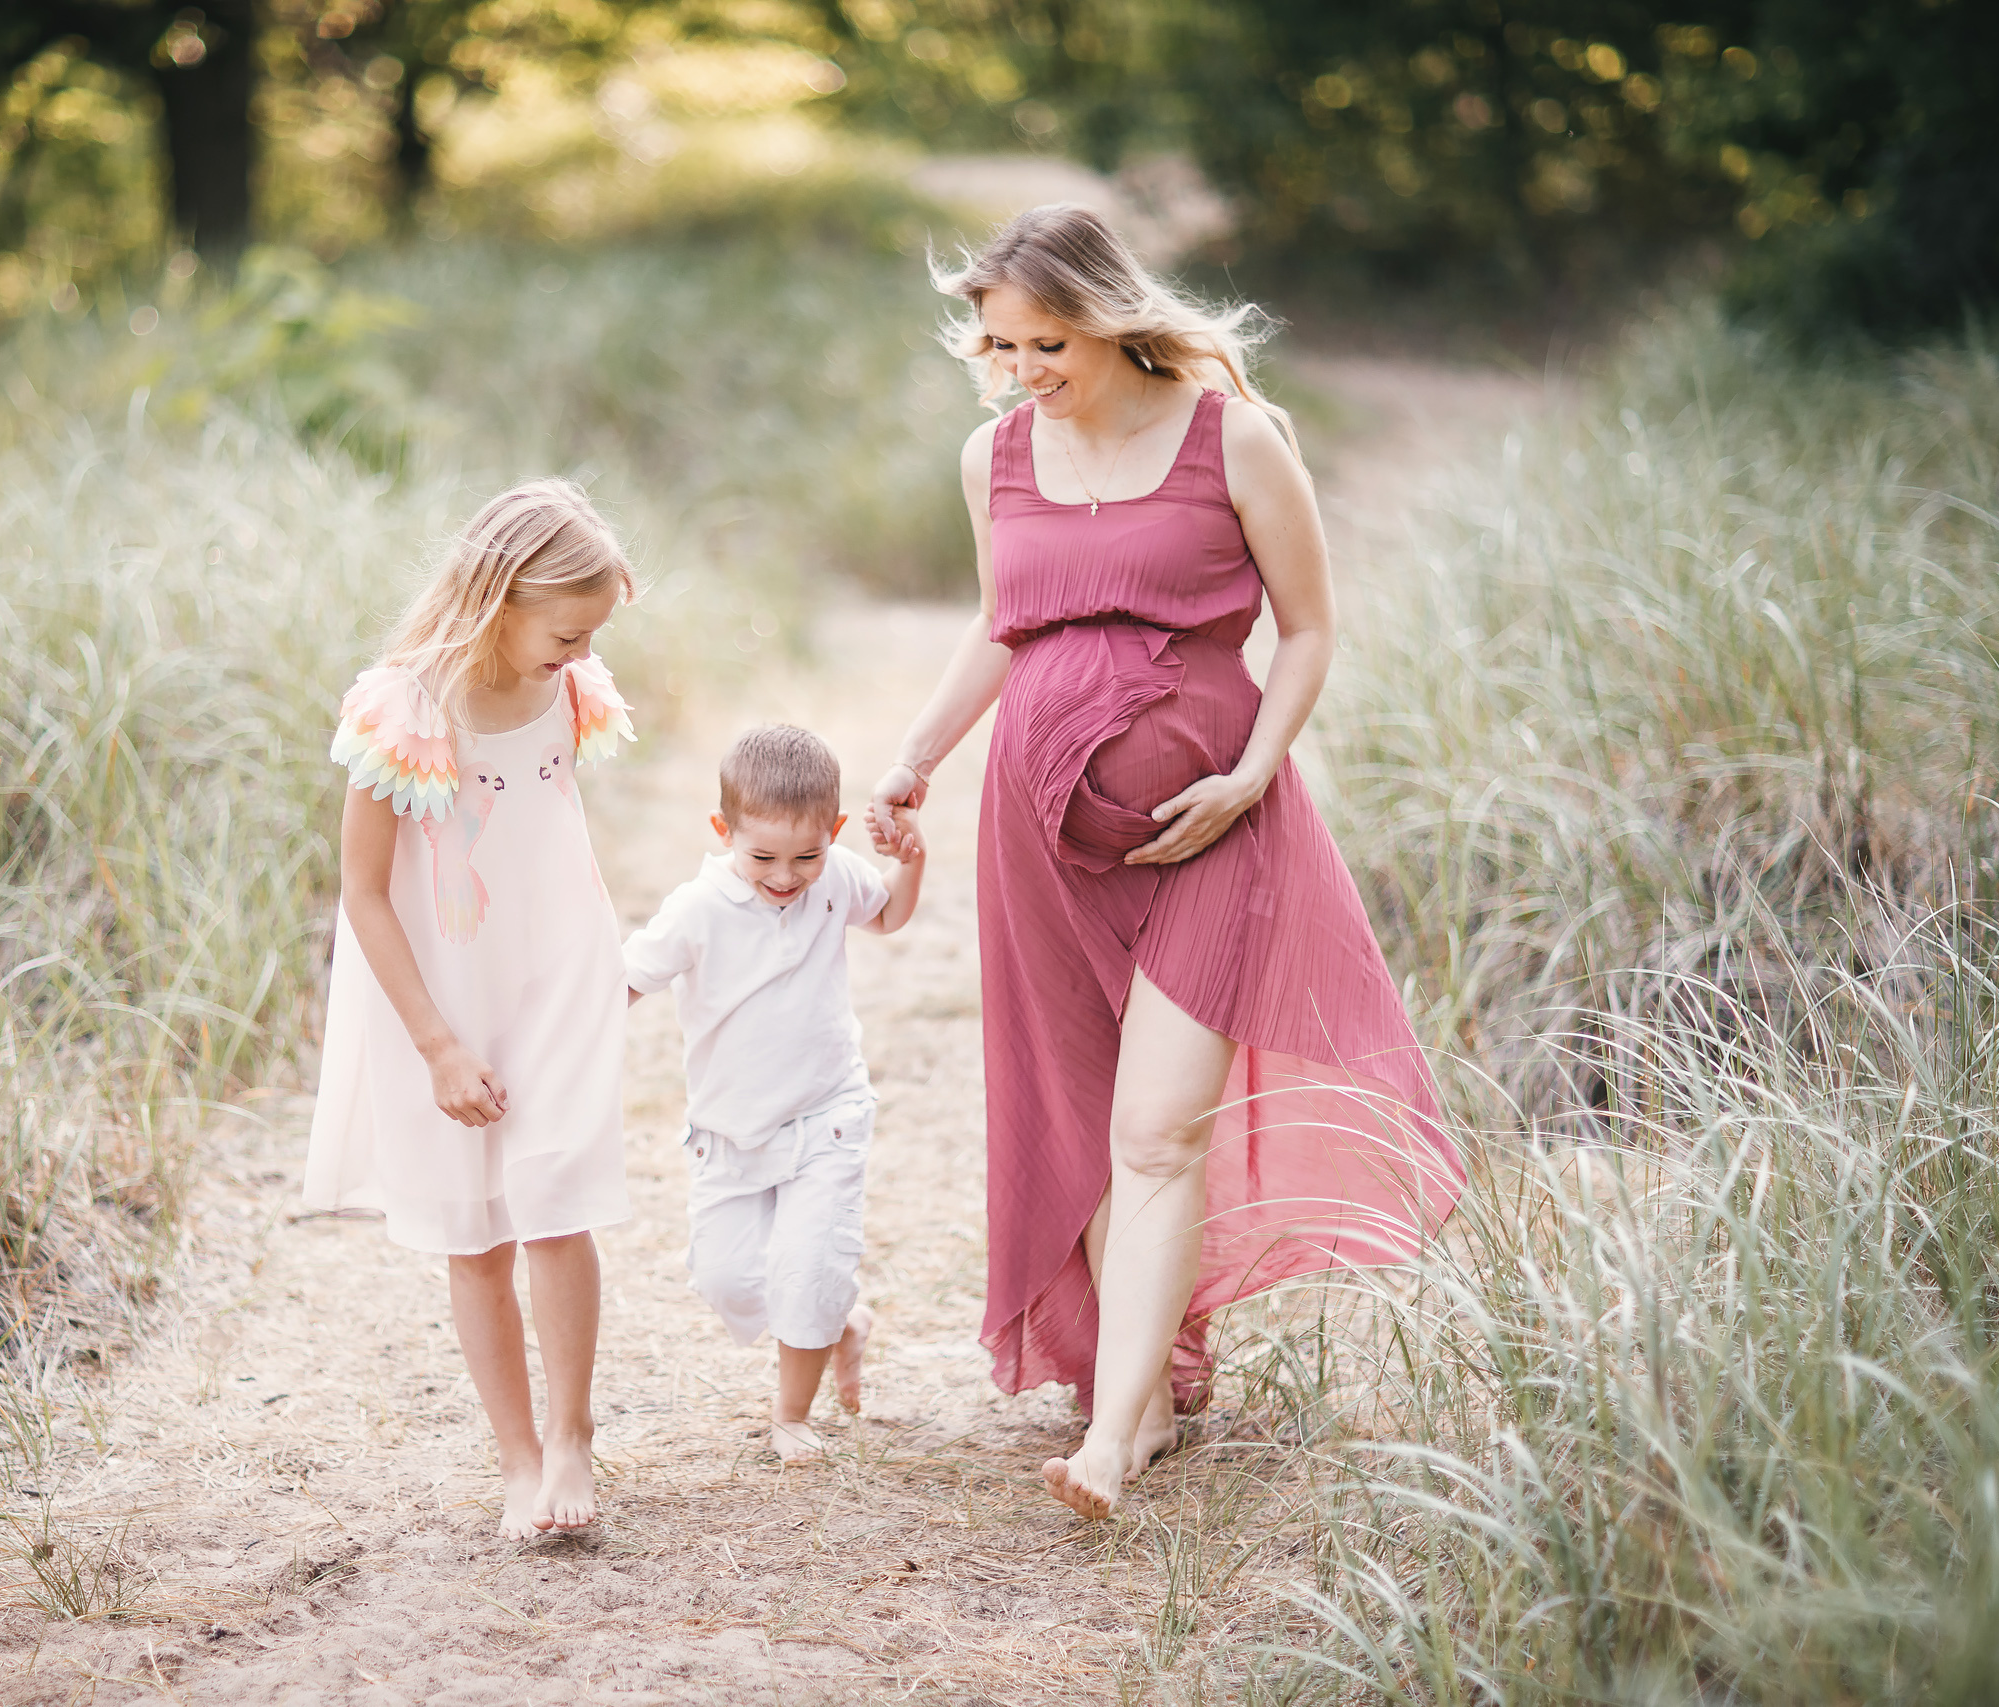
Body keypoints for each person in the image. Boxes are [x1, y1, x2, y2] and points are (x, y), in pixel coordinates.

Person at [865, 206, 1468, 1518]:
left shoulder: (1231, 436)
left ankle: (1111, 1444)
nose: (1023, 368)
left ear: (1111, 316)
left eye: (1048, 341)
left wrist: (1252, 770)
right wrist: (912, 756)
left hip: (1213, 824)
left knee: (1155, 1127)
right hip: (1037, 836)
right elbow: (1000, 624)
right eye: (1001, 343)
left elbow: (1307, 630)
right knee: (1086, 1116)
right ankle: (1131, 1400)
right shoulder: (996, 455)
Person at [303, 478, 641, 1537]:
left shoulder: (566, 684)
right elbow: (361, 889)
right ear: (498, 597)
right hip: (443, 996)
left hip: (559, 972)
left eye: (592, 636)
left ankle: (575, 1438)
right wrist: (437, 1046)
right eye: (566, 632)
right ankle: (517, 1459)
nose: (581, 655)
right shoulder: (404, 706)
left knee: (556, 1199)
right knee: (478, 1234)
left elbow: (547, 824)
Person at [623, 725, 925, 1462]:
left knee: (809, 1270)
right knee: (727, 1277)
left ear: (835, 833)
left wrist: (912, 862)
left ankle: (791, 1413)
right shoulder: (698, 909)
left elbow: (886, 913)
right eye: (763, 856)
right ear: (723, 830)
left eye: (806, 855)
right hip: (729, 1131)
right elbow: (623, 980)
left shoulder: (839, 877)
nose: (786, 875)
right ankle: (838, 1322)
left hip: (827, 1117)